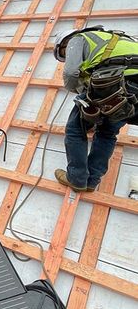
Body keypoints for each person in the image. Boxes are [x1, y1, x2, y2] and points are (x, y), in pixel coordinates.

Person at [53, 26, 138, 192]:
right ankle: (91, 181)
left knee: (75, 129)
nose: (67, 57)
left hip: (114, 83)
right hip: (132, 91)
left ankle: (76, 178)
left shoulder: (77, 39)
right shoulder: (120, 38)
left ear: (64, 44)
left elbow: (71, 73)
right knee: (107, 132)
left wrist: (78, 92)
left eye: (64, 55)